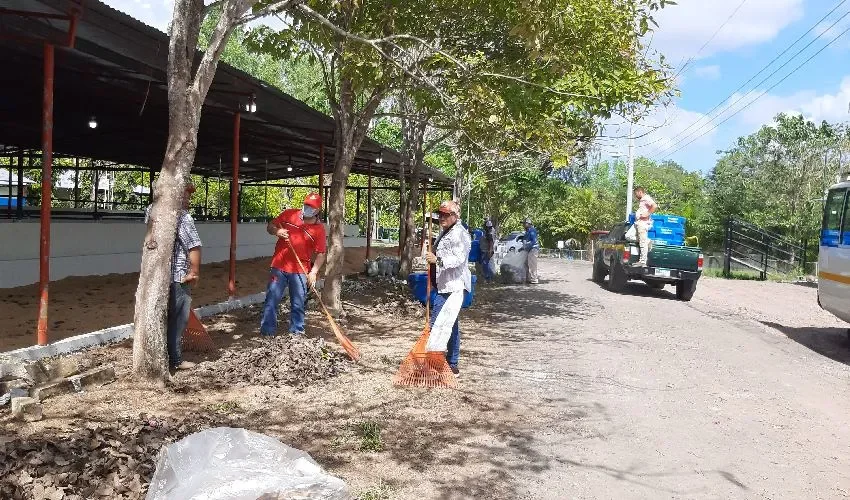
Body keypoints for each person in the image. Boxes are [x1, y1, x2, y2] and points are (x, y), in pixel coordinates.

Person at [144, 180, 202, 371]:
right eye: (185, 194)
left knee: (160, 318)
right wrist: (193, 272)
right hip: (178, 276)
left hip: (156, 278)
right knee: (178, 319)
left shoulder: (152, 210)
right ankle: (175, 359)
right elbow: (193, 245)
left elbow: (149, 239)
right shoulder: (183, 216)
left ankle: (160, 357)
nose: (189, 198)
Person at [260, 193, 327, 336]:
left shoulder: (319, 230)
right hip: (279, 266)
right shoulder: (289, 214)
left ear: (317, 210)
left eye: (311, 207)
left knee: (298, 304)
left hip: (301, 271)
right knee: (271, 300)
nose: (307, 208)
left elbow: (321, 253)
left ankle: (297, 334)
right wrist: (276, 231)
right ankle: (267, 333)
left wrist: (313, 272)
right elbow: (270, 226)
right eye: (306, 204)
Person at [425, 200, 472, 377]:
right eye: (440, 214)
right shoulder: (445, 232)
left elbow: (459, 259)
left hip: (453, 286)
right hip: (442, 284)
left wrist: (437, 260)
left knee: (437, 323)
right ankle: (451, 363)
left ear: (455, 216)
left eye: (446, 215)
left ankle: (438, 362)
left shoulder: (460, 234)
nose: (441, 218)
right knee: (451, 325)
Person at [633, 186, 657, 267]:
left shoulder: (646, 198)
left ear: (640, 192)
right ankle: (648, 241)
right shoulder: (642, 200)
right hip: (639, 223)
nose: (635, 196)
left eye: (636, 194)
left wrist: (647, 214)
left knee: (642, 242)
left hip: (642, 224)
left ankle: (642, 261)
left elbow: (654, 206)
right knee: (631, 237)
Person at [521, 217, 540, 284]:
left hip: (533, 249)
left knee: (532, 264)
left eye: (524, 224)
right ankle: (528, 278)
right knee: (526, 263)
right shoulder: (527, 231)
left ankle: (534, 279)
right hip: (528, 249)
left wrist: (526, 245)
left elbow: (534, 241)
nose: (523, 225)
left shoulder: (532, 230)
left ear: (528, 224)